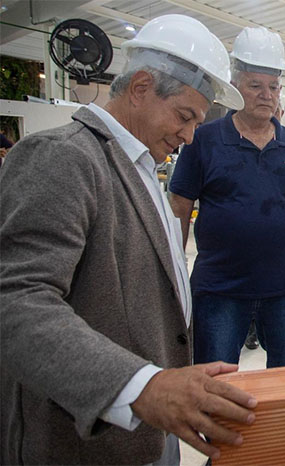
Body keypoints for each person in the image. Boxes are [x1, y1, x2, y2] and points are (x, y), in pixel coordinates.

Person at [0, 15, 257, 465]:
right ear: (140, 87)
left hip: (145, 429)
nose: (189, 135)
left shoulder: (136, 164)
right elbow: (16, 301)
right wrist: (143, 386)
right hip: (86, 439)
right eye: (184, 116)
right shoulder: (63, 157)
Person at [169, 26, 285, 369]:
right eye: (256, 85)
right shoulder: (204, 140)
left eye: (273, 87)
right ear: (236, 87)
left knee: (284, 377)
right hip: (220, 289)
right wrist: (175, 271)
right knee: (214, 379)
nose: (266, 95)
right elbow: (180, 206)